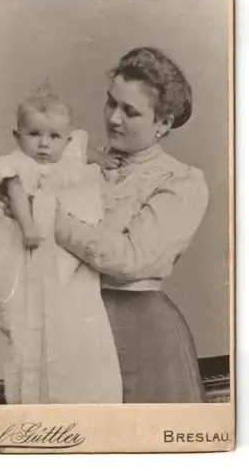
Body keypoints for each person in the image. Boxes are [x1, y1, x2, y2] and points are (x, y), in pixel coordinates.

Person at [54, 47, 209, 403]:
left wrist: (50, 220)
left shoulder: (180, 181)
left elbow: (130, 260)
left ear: (163, 123)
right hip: (76, 326)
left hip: (142, 334)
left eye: (131, 111)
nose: (114, 119)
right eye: (111, 103)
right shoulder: (83, 166)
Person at [0, 82, 122, 404]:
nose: (44, 144)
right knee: (29, 313)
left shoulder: (67, 164)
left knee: (71, 316)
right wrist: (28, 226)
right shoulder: (18, 166)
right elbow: (15, 194)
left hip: (61, 256)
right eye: (34, 134)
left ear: (65, 140)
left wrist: (100, 157)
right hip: (32, 245)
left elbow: (82, 152)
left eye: (53, 137)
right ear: (18, 137)